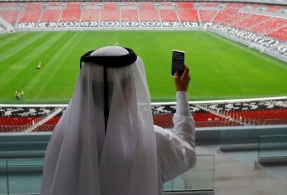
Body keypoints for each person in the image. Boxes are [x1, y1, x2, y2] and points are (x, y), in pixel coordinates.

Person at [41, 46, 195, 195]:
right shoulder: (152, 141)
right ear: (128, 90)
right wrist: (182, 92)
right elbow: (187, 151)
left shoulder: (63, 140)